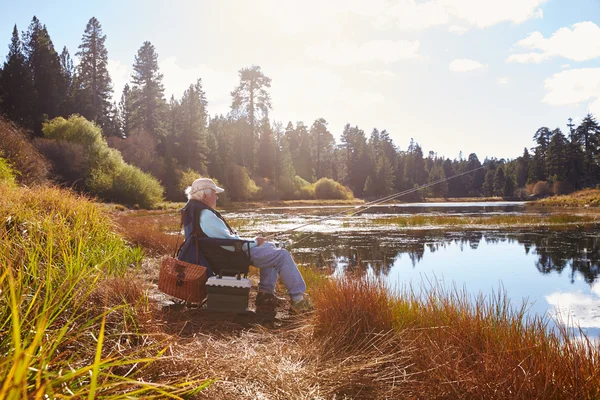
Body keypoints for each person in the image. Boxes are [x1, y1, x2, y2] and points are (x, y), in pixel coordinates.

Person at [183, 177, 312, 311]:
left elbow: (224, 240)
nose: (217, 197)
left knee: (270, 247)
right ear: (205, 195)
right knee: (282, 255)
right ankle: (298, 300)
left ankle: (265, 294)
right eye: (215, 194)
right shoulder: (206, 216)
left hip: (226, 254)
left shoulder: (197, 213)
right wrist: (255, 242)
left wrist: (254, 242)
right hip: (232, 256)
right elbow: (230, 244)